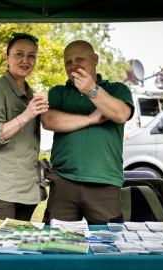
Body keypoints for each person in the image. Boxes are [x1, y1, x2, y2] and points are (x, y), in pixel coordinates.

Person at [41, 40, 135, 225]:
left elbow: (121, 114)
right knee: (58, 246)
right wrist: (91, 119)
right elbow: (48, 120)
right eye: (68, 62)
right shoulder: (59, 92)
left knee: (108, 247)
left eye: (79, 59)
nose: (73, 65)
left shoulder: (117, 89)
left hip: (105, 182)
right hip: (63, 182)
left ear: (95, 60)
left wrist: (92, 90)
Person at [0, 33, 49, 221]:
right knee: (1, 248)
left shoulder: (30, 92)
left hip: (25, 191)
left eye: (31, 55)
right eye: (19, 54)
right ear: (7, 58)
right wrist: (26, 115)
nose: (25, 60)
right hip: (1, 191)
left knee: (21, 248)